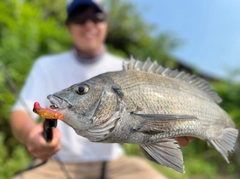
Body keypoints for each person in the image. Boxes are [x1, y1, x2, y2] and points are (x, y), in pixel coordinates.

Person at [10, 0, 195, 178]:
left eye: (96, 17)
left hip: (114, 163)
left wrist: (162, 131)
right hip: (56, 164)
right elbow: (20, 111)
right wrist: (30, 133)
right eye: (80, 18)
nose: (88, 24)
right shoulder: (46, 66)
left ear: (105, 21)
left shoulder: (127, 68)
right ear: (68, 26)